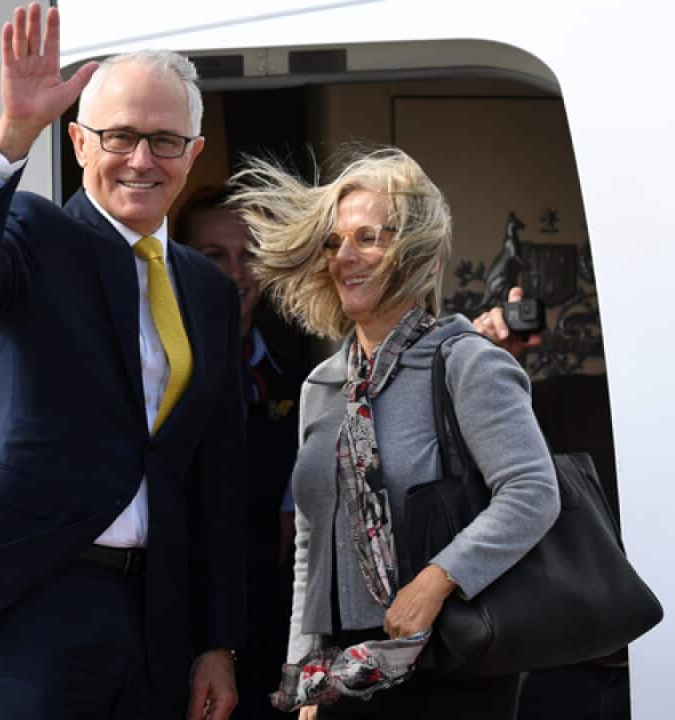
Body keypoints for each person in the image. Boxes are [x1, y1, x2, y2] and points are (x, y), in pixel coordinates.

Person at [0, 5, 244, 718]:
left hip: (155, 618)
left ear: (194, 152)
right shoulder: (36, 235)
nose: (142, 160)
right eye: (120, 136)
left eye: (165, 140)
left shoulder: (207, 289)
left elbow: (214, 477)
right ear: (80, 142)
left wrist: (217, 644)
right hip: (34, 601)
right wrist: (14, 134)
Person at [232, 147, 561, 719]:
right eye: (334, 242)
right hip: (345, 673)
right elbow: (311, 544)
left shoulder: (466, 362)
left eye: (368, 238)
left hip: (451, 658)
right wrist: (305, 672)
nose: (344, 258)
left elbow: (533, 492)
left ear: (416, 251)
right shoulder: (322, 385)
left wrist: (434, 581)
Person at [175, 186, 303, 720]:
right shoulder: (157, 375)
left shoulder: (298, 381)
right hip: (172, 632)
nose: (235, 273)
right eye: (214, 256)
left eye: (248, 255)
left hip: (269, 639)